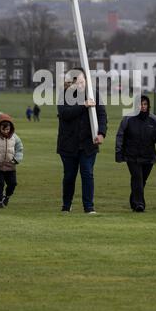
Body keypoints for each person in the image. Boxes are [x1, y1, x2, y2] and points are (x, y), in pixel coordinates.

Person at [57, 67, 107, 214]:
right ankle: (66, 206)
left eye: (82, 81)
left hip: (88, 144)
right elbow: (65, 113)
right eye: (77, 82)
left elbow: (102, 116)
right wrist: (83, 105)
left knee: (87, 173)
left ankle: (89, 207)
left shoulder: (94, 95)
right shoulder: (64, 96)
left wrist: (101, 134)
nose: (80, 85)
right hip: (68, 143)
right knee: (69, 176)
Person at [115, 95, 156, 212]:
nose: (143, 107)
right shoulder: (128, 119)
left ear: (148, 106)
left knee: (141, 181)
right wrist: (118, 152)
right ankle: (140, 204)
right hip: (132, 156)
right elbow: (120, 135)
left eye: (145, 104)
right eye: (140, 104)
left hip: (148, 156)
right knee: (137, 178)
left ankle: (134, 201)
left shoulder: (153, 120)